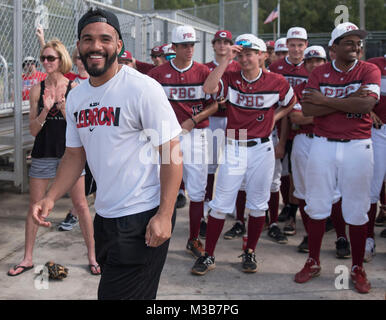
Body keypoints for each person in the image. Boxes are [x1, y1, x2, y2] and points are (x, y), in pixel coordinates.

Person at [31, 8, 182, 300]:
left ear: (119, 45)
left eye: (105, 39)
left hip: (143, 215)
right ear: (78, 46)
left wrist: (164, 214)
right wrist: (50, 197)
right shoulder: (77, 96)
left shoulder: (142, 88)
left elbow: (171, 152)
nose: (96, 46)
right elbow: (75, 156)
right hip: (107, 216)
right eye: (88, 39)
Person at [191, 34, 296, 275]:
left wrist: (274, 118)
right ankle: (208, 255)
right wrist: (227, 60)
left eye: (251, 53)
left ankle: (250, 251)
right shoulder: (229, 76)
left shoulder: (277, 81)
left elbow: (290, 103)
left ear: (262, 55)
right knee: (220, 205)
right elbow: (208, 88)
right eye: (242, 53)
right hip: (235, 144)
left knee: (259, 205)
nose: (246, 58)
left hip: (262, 147)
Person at [294, 22, 381, 294]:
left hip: (358, 145)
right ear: (334, 48)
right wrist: (348, 100)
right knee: (317, 205)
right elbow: (308, 108)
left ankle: (357, 267)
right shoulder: (319, 71)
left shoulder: (369, 69)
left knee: (356, 209)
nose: (356, 47)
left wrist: (326, 102)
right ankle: (314, 260)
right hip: (323, 144)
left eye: (358, 43)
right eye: (349, 42)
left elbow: (367, 104)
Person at [8, 38, 100, 276]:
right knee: (35, 207)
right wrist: (47, 110)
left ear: (61, 60)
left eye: (51, 58)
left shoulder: (75, 89)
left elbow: (82, 128)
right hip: (43, 153)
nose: (46, 62)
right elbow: (33, 130)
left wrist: (65, 109)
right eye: (44, 58)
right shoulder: (37, 89)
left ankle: (93, 256)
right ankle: (27, 258)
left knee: (80, 205)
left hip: (70, 155)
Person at [148, 25, 218, 259]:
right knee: (161, 186)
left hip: (196, 134)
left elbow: (216, 103)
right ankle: (156, 230)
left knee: (197, 190)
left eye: (192, 45)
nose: (189, 49)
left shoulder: (203, 71)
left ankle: (194, 238)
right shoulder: (158, 75)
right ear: (174, 47)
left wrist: (193, 119)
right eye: (185, 45)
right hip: (168, 136)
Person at [267, 27, 309, 240]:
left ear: (306, 46)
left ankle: (293, 212)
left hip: (303, 127)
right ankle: (283, 208)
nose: (295, 49)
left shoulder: (312, 67)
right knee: (280, 172)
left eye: (300, 45)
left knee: (295, 174)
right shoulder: (276, 67)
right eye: (292, 44)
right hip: (279, 124)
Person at [202, 30, 242, 239]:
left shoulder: (239, 65)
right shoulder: (205, 67)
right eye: (219, 42)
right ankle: (207, 202)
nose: (222, 45)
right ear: (213, 45)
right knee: (210, 163)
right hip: (214, 118)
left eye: (227, 42)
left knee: (236, 163)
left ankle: (235, 205)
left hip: (238, 120)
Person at [365, 54, 386, 262]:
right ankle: (368, 239)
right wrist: (368, 110)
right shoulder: (374, 65)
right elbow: (359, 92)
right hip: (379, 130)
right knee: (372, 187)